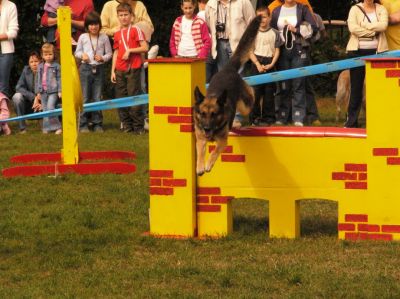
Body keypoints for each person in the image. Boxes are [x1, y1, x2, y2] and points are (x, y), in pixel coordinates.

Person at [270, 0, 317, 127]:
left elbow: (313, 28)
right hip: (282, 51)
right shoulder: (276, 11)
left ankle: (298, 117)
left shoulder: (303, 9)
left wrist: (296, 29)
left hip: (298, 49)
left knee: (298, 83)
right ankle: (282, 116)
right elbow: (271, 31)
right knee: (283, 85)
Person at [345, 0, 388, 128]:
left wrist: (363, 25)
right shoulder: (354, 9)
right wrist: (373, 32)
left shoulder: (381, 9)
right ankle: (351, 122)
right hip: (356, 52)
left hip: (378, 53)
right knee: (356, 89)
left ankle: (378, 121)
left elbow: (383, 26)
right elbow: (353, 28)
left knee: (378, 89)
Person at [111, 3, 148, 134]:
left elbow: (145, 47)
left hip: (133, 68)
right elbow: (116, 52)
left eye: (126, 15)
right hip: (120, 69)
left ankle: (138, 126)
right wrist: (112, 71)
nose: (123, 18)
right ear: (117, 17)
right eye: (121, 15)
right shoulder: (117, 34)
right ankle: (126, 126)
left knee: (134, 97)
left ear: (131, 16)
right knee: (120, 97)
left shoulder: (135, 30)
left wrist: (131, 50)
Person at [75, 11, 112, 133]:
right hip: (85, 69)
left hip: (99, 69)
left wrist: (103, 58)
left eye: (96, 24)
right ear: (87, 26)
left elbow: (109, 54)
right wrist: (83, 55)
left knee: (97, 97)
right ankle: (83, 124)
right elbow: (77, 53)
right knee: (84, 97)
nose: (93, 27)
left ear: (99, 25)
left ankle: (97, 124)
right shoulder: (83, 37)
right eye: (91, 25)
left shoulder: (104, 37)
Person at [248, 6, 282, 126]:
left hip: (270, 63)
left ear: (270, 17)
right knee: (255, 93)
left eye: (265, 17)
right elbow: (250, 51)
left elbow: (277, 50)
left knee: (269, 93)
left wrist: (272, 64)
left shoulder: (275, 33)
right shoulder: (253, 33)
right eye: (259, 17)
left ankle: (269, 118)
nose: (262, 19)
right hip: (256, 63)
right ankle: (254, 118)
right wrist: (257, 64)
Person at [205, 0, 255, 72]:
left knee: (239, 74)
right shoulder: (211, 3)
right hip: (219, 44)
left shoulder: (243, 1)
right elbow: (209, 25)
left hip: (239, 44)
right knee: (223, 74)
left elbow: (252, 23)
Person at [33, 43, 62, 134]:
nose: (48, 56)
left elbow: (59, 79)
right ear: (42, 55)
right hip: (43, 91)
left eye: (50, 54)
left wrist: (60, 90)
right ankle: (47, 128)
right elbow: (37, 79)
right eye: (46, 54)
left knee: (50, 107)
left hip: (53, 91)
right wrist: (37, 92)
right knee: (45, 110)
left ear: (54, 54)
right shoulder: (40, 66)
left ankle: (57, 127)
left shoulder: (57, 66)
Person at [12, 52, 41, 134]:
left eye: (36, 61)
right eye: (31, 62)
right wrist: (33, 97)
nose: (34, 64)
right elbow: (18, 87)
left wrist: (39, 98)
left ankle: (48, 123)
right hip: (29, 103)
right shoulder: (26, 70)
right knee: (16, 97)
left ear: (40, 61)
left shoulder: (45, 70)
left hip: (43, 102)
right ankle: (22, 128)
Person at [0, 0, 19, 98]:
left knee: (3, 88)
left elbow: (13, 32)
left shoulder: (11, 6)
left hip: (5, 51)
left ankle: (3, 112)